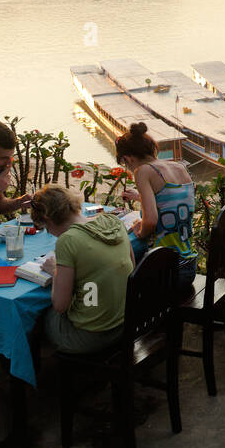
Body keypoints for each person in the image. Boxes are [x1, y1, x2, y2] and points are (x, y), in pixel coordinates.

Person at [33, 185, 134, 354]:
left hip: (92, 335)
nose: (49, 233)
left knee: (36, 315)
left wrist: (56, 271)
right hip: (125, 322)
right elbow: (132, 268)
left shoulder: (68, 240)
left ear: (47, 219)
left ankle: (33, 375)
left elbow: (60, 305)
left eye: (45, 228)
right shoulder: (113, 221)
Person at [115, 122, 198, 300]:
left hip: (169, 271)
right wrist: (140, 197)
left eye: (124, 163)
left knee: (119, 277)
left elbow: (151, 222)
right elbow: (174, 203)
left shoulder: (142, 171)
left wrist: (140, 230)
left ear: (128, 158)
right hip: (189, 266)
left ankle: (145, 325)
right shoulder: (179, 167)